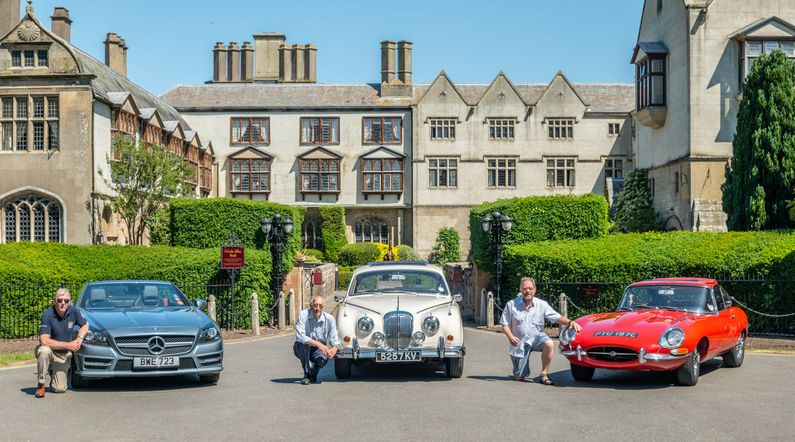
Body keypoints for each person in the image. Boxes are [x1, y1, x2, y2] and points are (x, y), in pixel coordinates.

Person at [500, 277, 582, 385]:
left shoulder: (541, 304)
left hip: (536, 338)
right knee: (520, 377)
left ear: (534, 290)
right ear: (520, 289)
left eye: (530, 288)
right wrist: (510, 337)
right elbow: (504, 324)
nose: (527, 291)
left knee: (549, 343)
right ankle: (520, 370)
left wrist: (570, 322)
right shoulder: (511, 305)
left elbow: (556, 317)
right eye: (525, 288)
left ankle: (544, 374)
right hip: (519, 343)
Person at [35, 288, 89, 398]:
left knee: (59, 389)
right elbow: (44, 340)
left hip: (63, 355)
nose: (63, 303)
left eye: (66, 301)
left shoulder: (73, 311)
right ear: (55, 300)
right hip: (50, 351)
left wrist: (79, 338)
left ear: (70, 301)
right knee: (43, 351)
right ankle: (41, 384)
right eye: (60, 300)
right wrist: (69, 345)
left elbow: (85, 324)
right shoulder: (47, 314)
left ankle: (53, 370)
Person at [293, 295, 340, 385]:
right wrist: (319, 344)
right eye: (315, 305)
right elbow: (300, 337)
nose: (317, 308)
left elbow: (335, 340)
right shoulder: (303, 314)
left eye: (320, 306)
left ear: (324, 307)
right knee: (303, 345)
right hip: (303, 347)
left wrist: (334, 348)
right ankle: (306, 374)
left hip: (318, 349)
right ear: (311, 306)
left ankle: (314, 372)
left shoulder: (330, 319)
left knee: (324, 358)